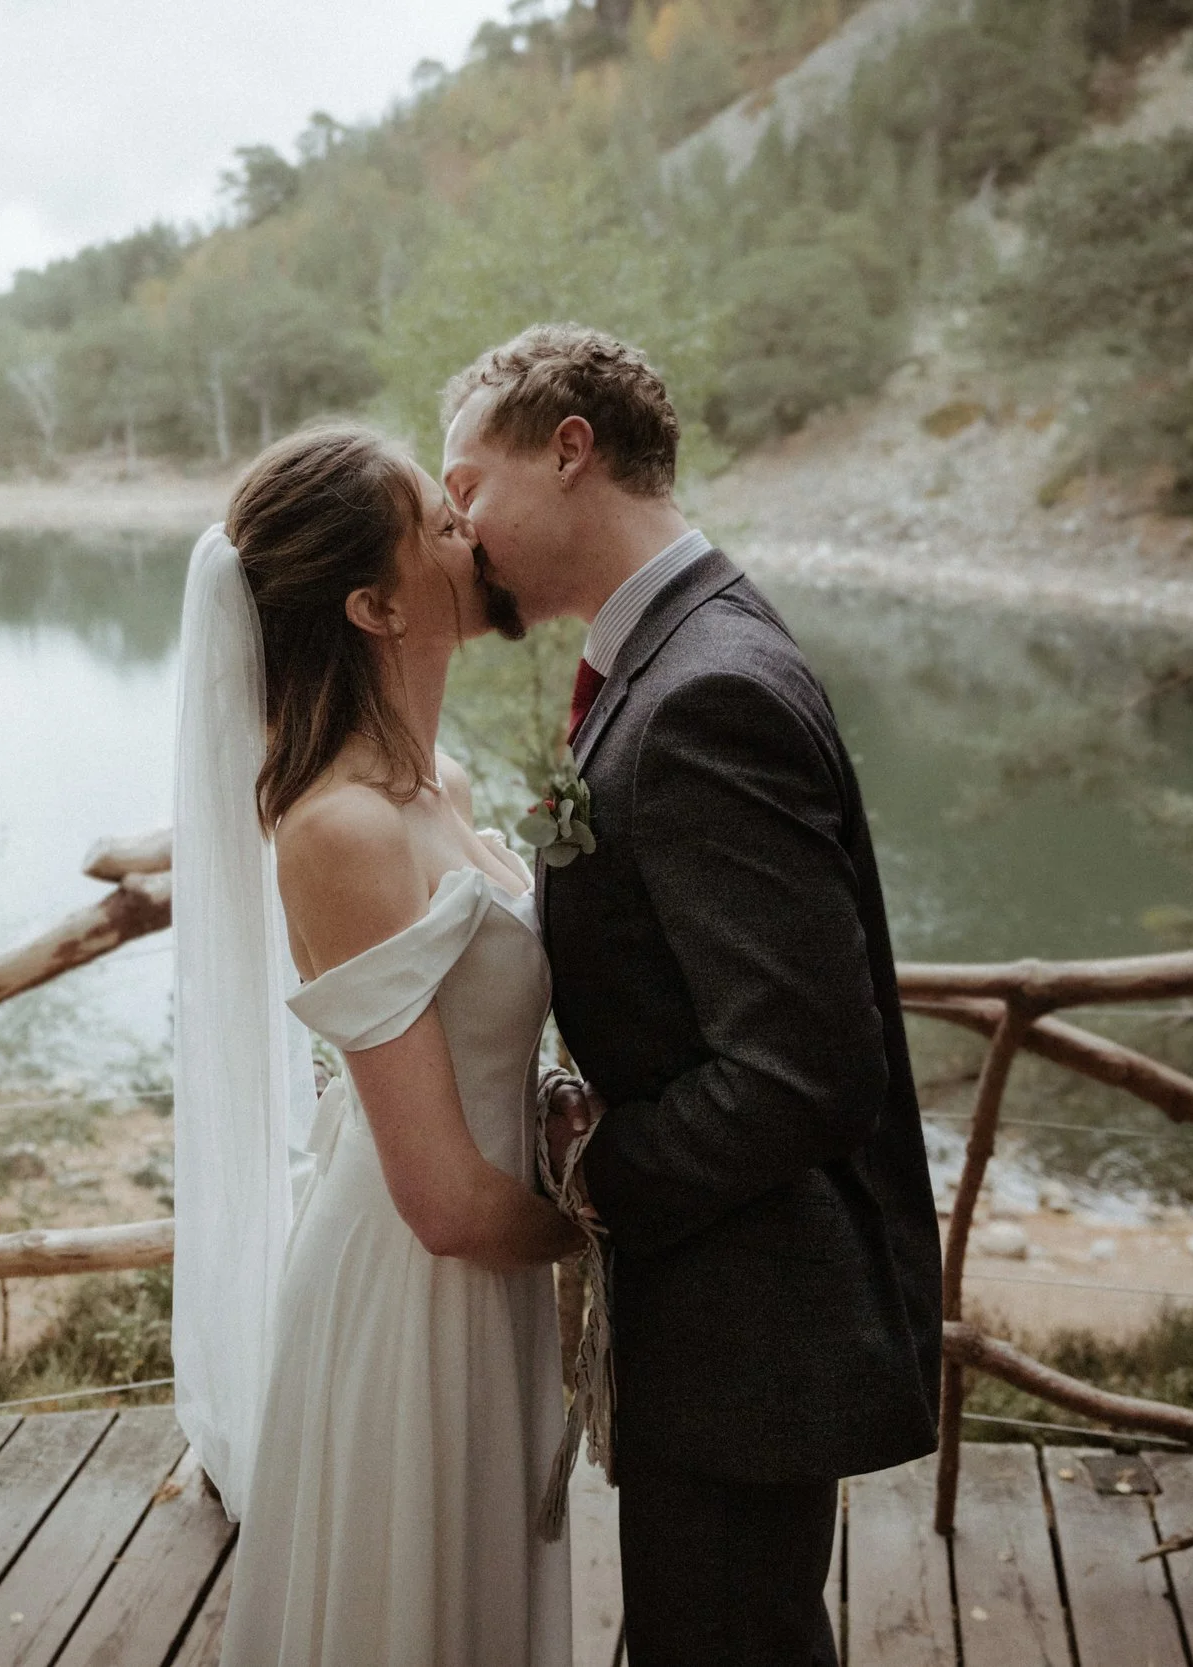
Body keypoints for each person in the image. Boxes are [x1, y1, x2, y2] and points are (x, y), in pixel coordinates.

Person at [442, 324, 943, 1667]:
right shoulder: (683, 649)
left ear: (569, 450)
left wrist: (600, 1168)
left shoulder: (707, 689)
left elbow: (805, 1066)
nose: (455, 521)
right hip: (728, 1310)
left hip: (749, 1321)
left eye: (467, 483)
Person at [169, 423, 581, 1667]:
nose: (468, 518)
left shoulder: (441, 784)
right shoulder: (338, 828)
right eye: (434, 519)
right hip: (418, 1287)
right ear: (372, 604)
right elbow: (445, 1199)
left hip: (492, 1268)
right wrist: (625, 1224)